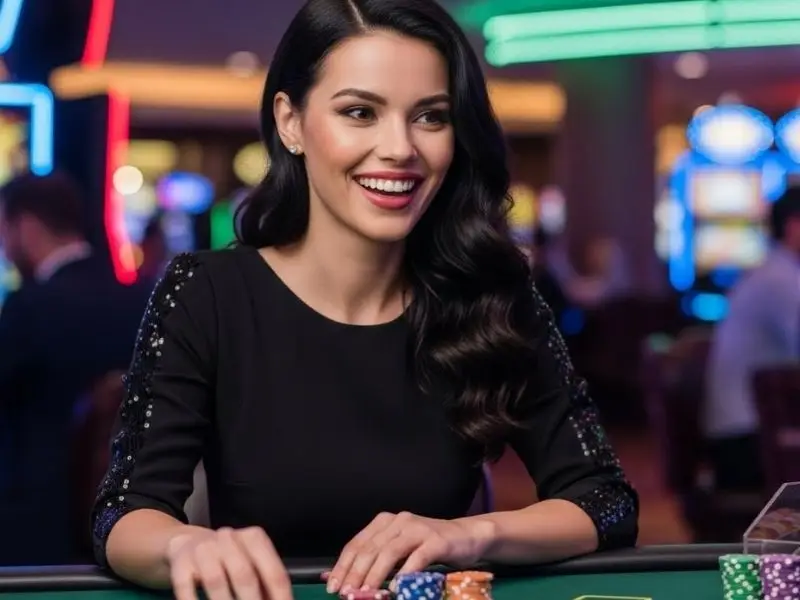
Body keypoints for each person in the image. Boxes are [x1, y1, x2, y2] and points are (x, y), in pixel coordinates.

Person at [91, 1, 639, 598]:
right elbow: (124, 513)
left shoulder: (491, 296)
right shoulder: (207, 292)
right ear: (290, 122)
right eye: (360, 112)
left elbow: (605, 502)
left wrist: (467, 535)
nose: (400, 148)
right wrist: (186, 544)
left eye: (430, 117)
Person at [0, 171, 150, 565]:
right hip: (131, 522)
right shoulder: (141, 298)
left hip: (36, 525)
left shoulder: (30, 306)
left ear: (26, 226)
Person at [705, 186, 800, 491]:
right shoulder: (781, 279)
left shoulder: (775, 272)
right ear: (794, 226)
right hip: (746, 442)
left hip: (750, 433)